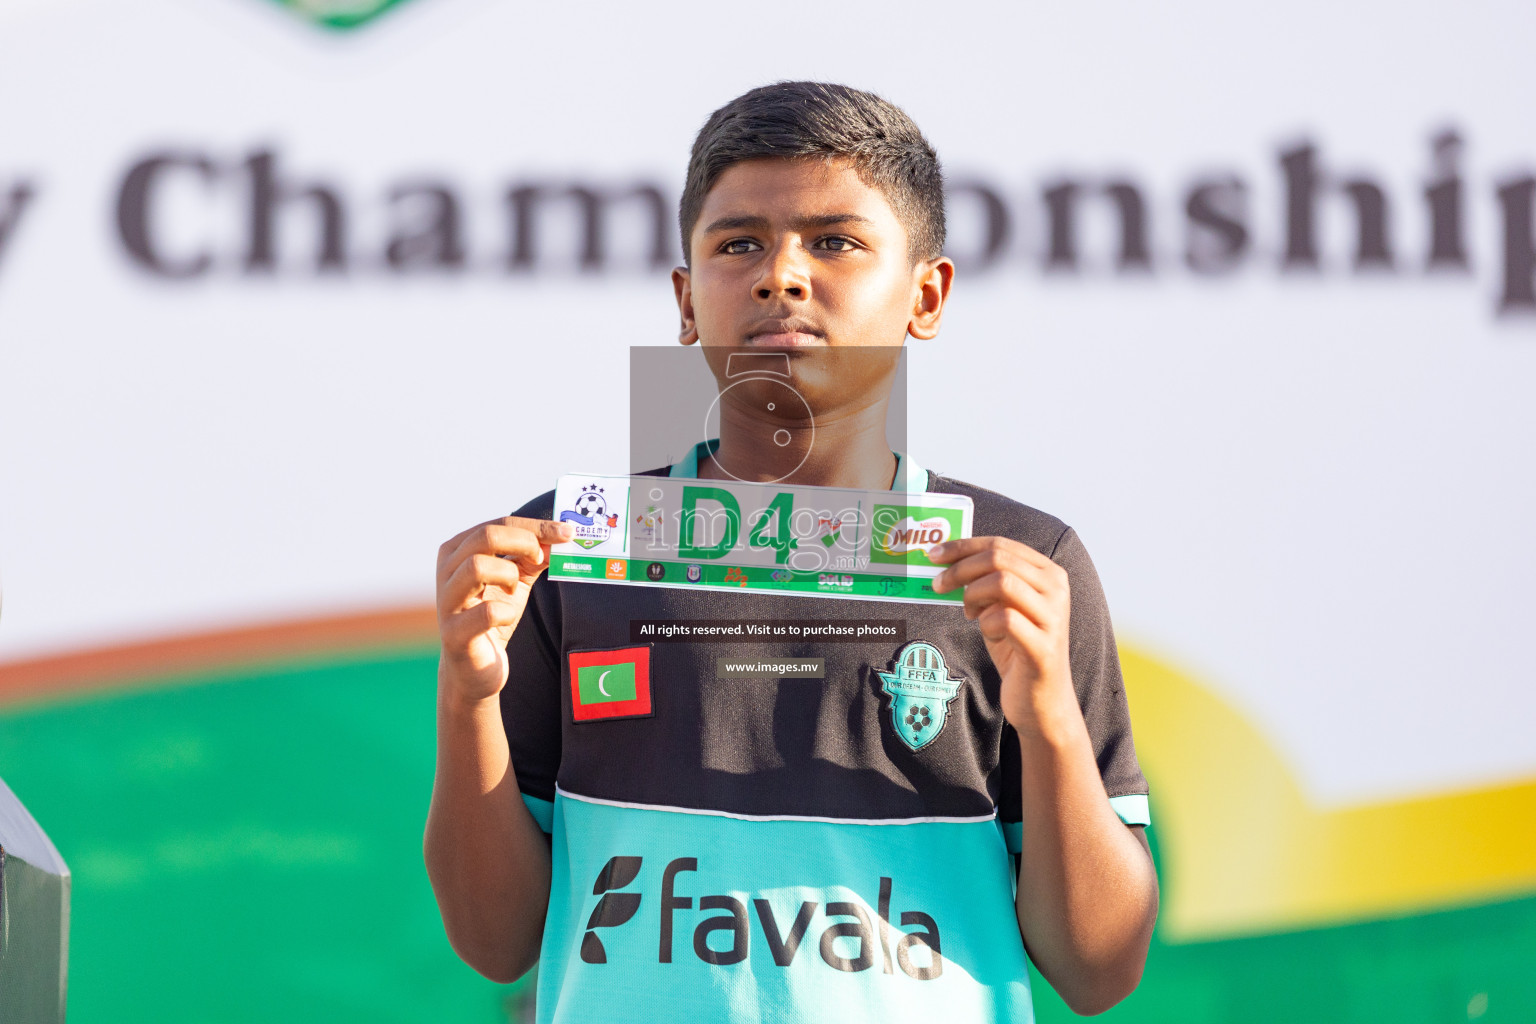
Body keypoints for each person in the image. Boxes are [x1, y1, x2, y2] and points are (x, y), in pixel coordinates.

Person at [425, 81, 1158, 1022]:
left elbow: (1101, 972)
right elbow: (495, 945)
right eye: (739, 245)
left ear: (926, 295)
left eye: (836, 241)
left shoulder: (1015, 564)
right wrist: (466, 693)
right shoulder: (572, 556)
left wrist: (1050, 715)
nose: (782, 275)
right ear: (687, 301)